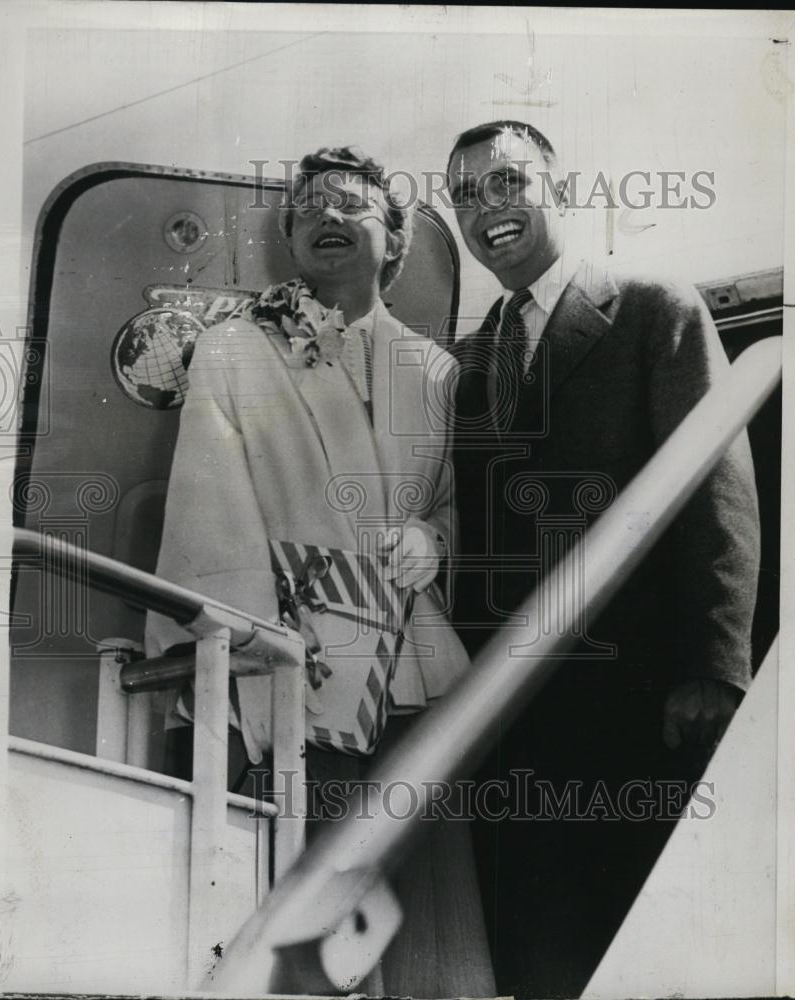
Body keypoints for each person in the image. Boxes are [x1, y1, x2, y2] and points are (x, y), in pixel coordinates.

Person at [145, 146, 495, 998]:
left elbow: (455, 504)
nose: (327, 218)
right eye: (308, 209)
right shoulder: (232, 351)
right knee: (313, 934)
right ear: (291, 238)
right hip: (296, 681)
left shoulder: (440, 372)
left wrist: (436, 539)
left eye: (351, 205)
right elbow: (209, 524)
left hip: (414, 682)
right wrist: (261, 680)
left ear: (396, 245)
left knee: (423, 935)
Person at [446, 121, 760, 998]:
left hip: (634, 702)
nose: (485, 210)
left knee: (644, 952)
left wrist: (713, 662)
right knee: (539, 957)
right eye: (463, 195)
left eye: (505, 182)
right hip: (512, 723)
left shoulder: (653, 304)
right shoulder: (470, 363)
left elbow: (716, 485)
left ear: (560, 186)